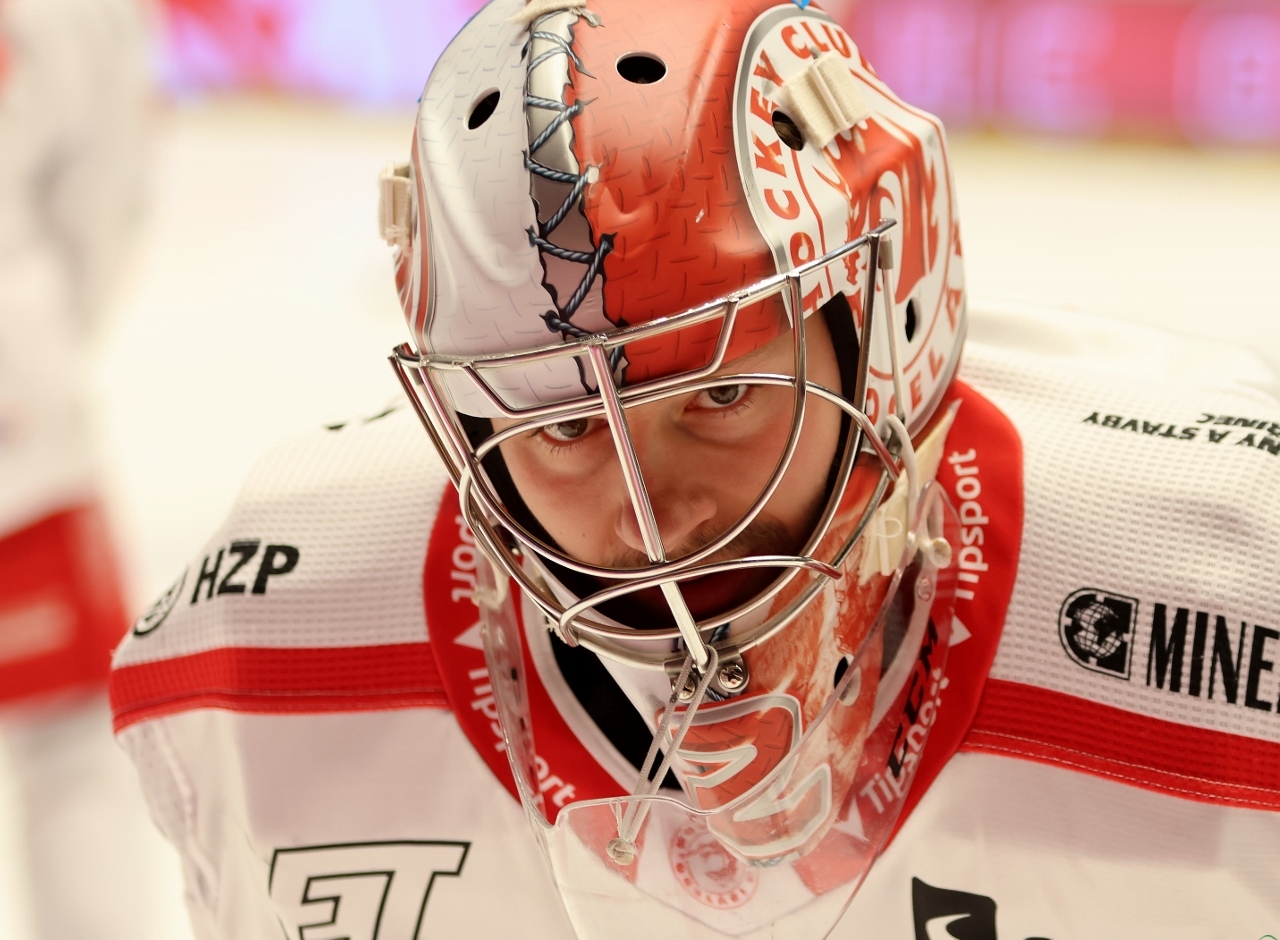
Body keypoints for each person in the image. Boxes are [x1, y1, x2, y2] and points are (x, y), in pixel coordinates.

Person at [110, 1, 1280, 938]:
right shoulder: (257, 651)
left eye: (717, 396)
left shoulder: (1232, 586)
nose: (648, 512)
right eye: (560, 428)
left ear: (887, 329)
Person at [0, 1, 165, 938]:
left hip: (21, 425)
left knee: (70, 733)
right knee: (69, 748)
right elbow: (104, 197)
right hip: (17, 424)